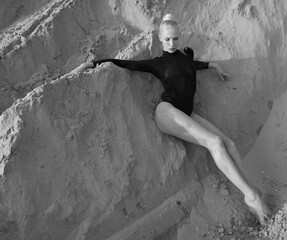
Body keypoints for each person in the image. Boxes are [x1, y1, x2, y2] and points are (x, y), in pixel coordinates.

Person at [65, 14, 270, 224]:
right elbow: (123, 63)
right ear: (160, 39)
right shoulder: (158, 63)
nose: (172, 43)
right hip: (167, 113)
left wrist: (214, 66)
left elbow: (192, 65)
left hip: (187, 113)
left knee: (231, 145)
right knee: (215, 143)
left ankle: (253, 189)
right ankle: (251, 198)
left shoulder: (184, 58)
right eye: (168, 39)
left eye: (175, 38)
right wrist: (89, 65)